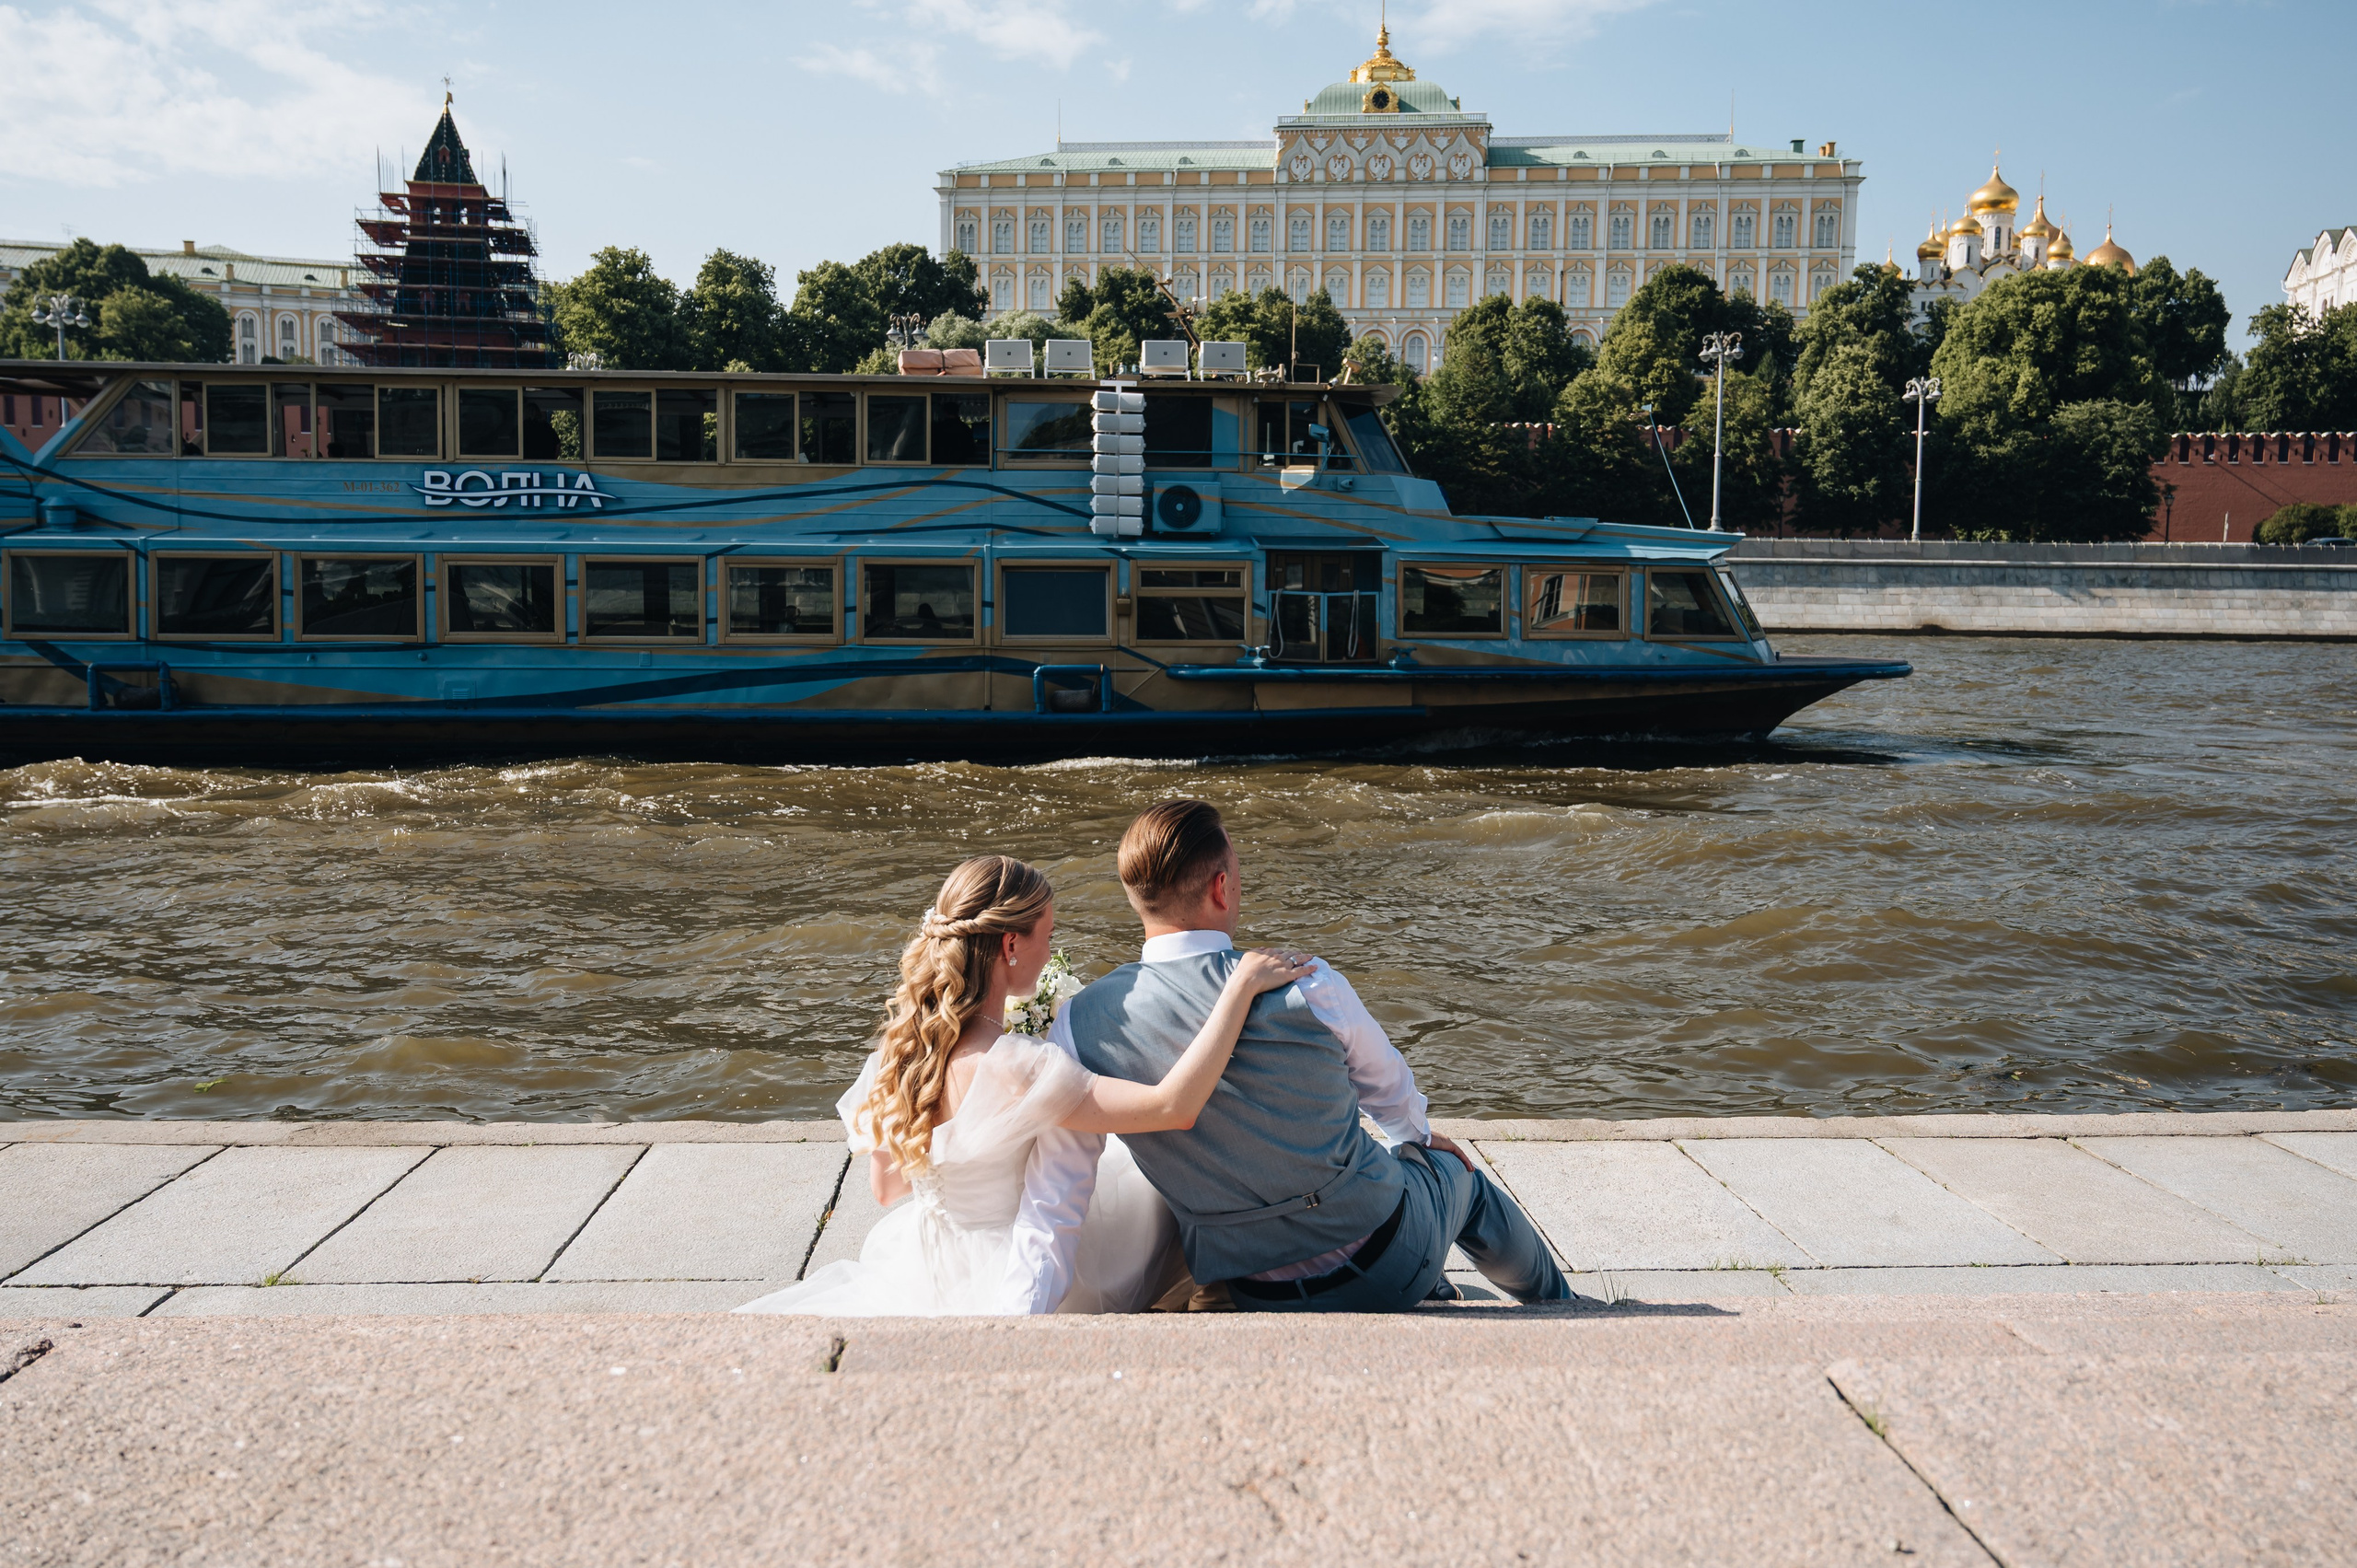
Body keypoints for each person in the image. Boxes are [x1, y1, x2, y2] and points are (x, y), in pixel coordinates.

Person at [1015, 799, 1573, 1313]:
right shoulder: (1307, 982)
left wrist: (1026, 1318)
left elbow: (1060, 1192)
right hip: (1384, 1261)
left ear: (1135, 893)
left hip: (1253, 1287)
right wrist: (1420, 1142)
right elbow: (1390, 1092)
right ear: (1221, 887)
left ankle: (1437, 1275)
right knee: (1461, 1178)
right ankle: (1566, 1305)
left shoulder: (1079, 1024)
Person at [735, 854, 1310, 1317]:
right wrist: (1237, 990)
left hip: (925, 1262)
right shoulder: (1018, 1064)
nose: (1051, 951)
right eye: (1047, 935)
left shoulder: (902, 1052)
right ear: (1011, 947)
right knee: (1153, 1179)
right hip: (1020, 1269)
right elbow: (1172, 1108)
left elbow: (887, 1189)